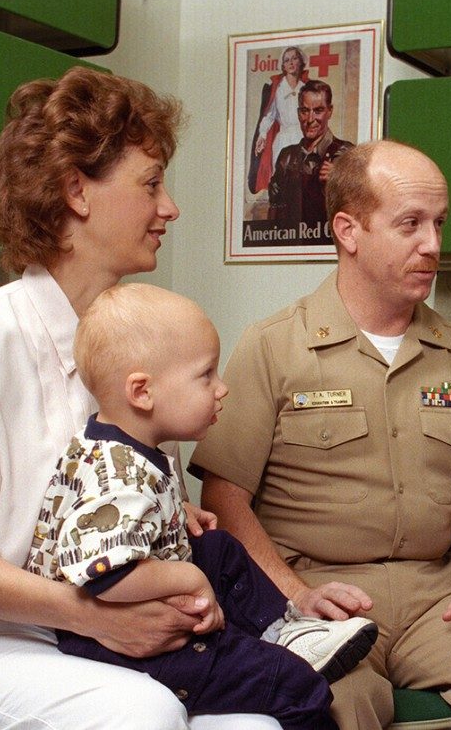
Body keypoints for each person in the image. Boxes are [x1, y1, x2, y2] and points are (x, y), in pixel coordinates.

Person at [0, 67, 282, 730]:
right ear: (76, 190)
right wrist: (93, 615)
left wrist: (169, 523)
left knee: (259, 725)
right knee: (143, 712)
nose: (170, 208)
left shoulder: (148, 351)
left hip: (90, 640)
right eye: (151, 183)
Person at [190, 139, 451, 729]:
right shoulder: (273, 346)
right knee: (332, 707)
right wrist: (295, 597)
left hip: (440, 603)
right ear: (349, 230)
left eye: (440, 223)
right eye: (410, 224)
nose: (433, 245)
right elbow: (223, 499)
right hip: (318, 595)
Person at [26, 283, 380, 727]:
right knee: (300, 685)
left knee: (220, 548)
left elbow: (106, 513)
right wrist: (190, 578)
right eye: (205, 375)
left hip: (130, 591)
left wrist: (175, 512)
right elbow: (103, 572)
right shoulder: (123, 478)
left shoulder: (115, 442)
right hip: (115, 640)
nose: (222, 388)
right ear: (142, 392)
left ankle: (283, 631)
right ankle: (276, 656)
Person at [267, 80, 353, 233]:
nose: (310, 119)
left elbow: (360, 210)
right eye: (305, 111)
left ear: (330, 111)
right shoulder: (286, 157)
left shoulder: (347, 154)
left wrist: (340, 182)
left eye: (318, 110)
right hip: (290, 246)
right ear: (298, 113)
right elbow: (274, 211)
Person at [248, 46, 309, 194]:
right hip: (284, 138)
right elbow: (270, 115)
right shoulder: (278, 88)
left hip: (302, 136)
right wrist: (262, 135)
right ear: (283, 66)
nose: (291, 63)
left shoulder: (306, 87)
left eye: (294, 58)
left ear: (301, 61)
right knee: (282, 175)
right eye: (287, 60)